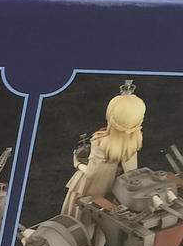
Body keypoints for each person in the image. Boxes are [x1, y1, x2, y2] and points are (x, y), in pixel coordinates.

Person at [60, 81, 146, 219]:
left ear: (110, 116)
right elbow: (131, 172)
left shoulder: (100, 142)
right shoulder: (135, 139)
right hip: (114, 188)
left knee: (78, 215)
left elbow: (91, 173)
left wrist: (77, 164)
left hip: (91, 188)